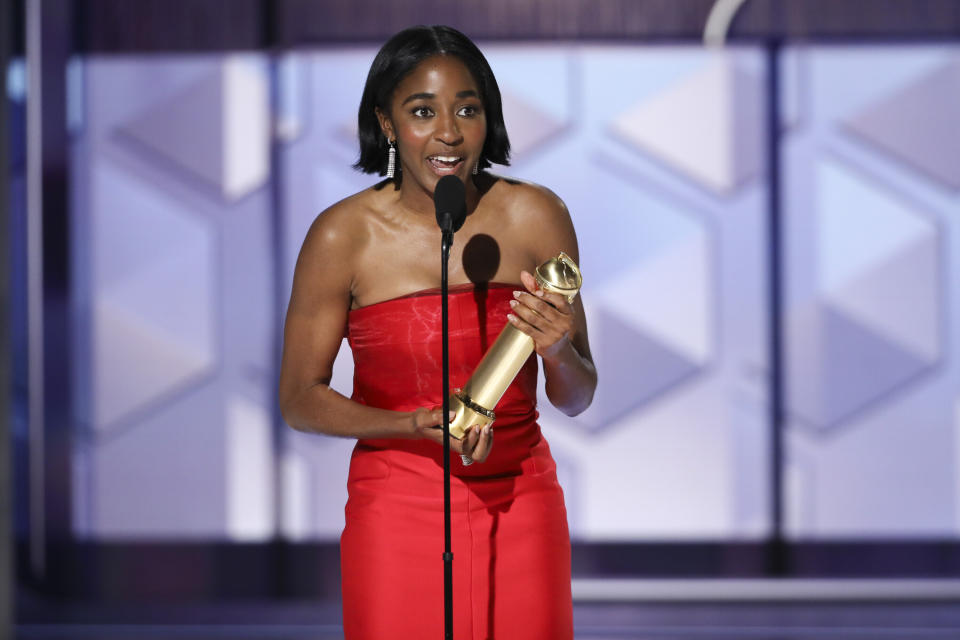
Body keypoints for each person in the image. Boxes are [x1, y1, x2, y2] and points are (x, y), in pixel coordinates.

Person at [278, 25, 596, 640]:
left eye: (467, 109)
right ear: (388, 124)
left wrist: (557, 348)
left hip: (520, 502)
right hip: (396, 505)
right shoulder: (341, 236)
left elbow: (578, 396)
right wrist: (408, 424)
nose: (447, 132)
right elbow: (299, 399)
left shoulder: (536, 215)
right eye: (422, 111)